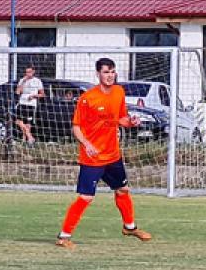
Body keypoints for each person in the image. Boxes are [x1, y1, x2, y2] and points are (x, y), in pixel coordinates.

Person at [56, 58, 151, 249]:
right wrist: (87, 144)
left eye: (112, 72)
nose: (110, 76)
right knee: (86, 197)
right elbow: (76, 127)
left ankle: (130, 227)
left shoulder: (118, 92)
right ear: (98, 74)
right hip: (93, 158)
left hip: (113, 155)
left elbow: (121, 118)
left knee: (122, 190)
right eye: (106, 72)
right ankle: (63, 236)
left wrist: (131, 122)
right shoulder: (88, 98)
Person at [14, 65, 44, 143]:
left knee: (28, 123)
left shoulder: (37, 81)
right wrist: (23, 81)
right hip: (22, 103)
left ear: (33, 72)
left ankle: (24, 139)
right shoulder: (22, 80)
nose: (28, 74)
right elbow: (18, 92)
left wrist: (34, 96)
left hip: (31, 104)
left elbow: (42, 94)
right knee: (18, 121)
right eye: (26, 72)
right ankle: (30, 137)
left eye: (29, 72)